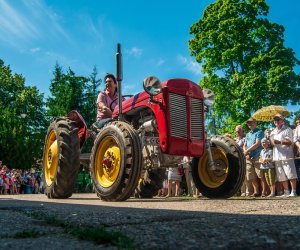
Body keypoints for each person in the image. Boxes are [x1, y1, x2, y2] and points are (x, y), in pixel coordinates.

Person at [270, 114, 298, 197]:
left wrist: (280, 142)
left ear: (282, 121)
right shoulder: (273, 131)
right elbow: (272, 145)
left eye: (278, 119)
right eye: (275, 120)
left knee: (291, 173)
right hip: (277, 156)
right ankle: (286, 192)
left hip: (286, 155)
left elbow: (290, 142)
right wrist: (270, 140)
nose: (276, 121)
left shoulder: (287, 129)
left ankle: (294, 191)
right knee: (281, 175)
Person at [243, 117, 267, 197]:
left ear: (255, 123)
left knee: (260, 175)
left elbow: (257, 144)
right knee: (251, 175)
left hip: (257, 156)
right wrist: (246, 152)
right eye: (248, 123)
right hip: (249, 158)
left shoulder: (259, 132)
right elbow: (244, 145)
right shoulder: (247, 134)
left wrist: (247, 151)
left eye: (251, 122)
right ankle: (256, 191)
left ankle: (264, 191)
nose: (250, 124)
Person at [235, 125, 253, 196]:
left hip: (245, 158)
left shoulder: (246, 138)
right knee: (241, 176)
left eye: (239, 131)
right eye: (237, 131)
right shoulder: (236, 140)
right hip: (238, 159)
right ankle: (242, 192)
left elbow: (246, 147)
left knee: (247, 175)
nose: (238, 132)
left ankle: (248, 191)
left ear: (243, 131)